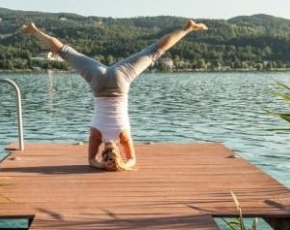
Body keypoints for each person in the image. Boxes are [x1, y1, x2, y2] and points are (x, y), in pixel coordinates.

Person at [20, 19, 207, 170]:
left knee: (154, 51)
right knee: (65, 52)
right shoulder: (96, 135)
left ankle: (187, 28)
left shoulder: (123, 135)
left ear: (118, 150)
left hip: (120, 82)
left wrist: (124, 164)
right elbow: (91, 160)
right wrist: (101, 165)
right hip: (98, 82)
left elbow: (132, 160)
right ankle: (34, 30)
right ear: (104, 152)